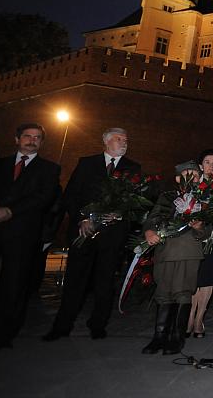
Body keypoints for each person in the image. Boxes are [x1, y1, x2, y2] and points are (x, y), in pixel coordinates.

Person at [44, 128, 141, 341]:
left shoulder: (132, 168)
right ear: (106, 142)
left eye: (126, 139)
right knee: (75, 280)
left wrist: (120, 213)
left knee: (105, 282)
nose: (124, 142)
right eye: (119, 139)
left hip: (112, 235)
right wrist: (83, 218)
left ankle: (98, 324)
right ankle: (62, 325)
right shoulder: (87, 163)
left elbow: (136, 201)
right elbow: (71, 195)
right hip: (84, 231)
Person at [0, 123, 60, 349]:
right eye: (28, 136)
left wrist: (9, 211)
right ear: (17, 139)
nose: (32, 140)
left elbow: (44, 197)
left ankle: (3, 334)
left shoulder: (49, 169)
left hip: (22, 232)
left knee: (13, 284)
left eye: (37, 137)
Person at [142, 161, 209, 355]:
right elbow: (152, 218)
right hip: (165, 251)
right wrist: (148, 232)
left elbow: (207, 231)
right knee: (163, 292)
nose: (193, 179)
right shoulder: (167, 197)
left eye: (196, 176)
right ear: (178, 178)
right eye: (189, 175)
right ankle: (159, 337)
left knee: (182, 292)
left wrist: (199, 228)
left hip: (189, 251)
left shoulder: (202, 201)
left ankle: (176, 338)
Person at [187, 149, 213, 338]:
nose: (211, 166)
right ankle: (189, 318)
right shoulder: (193, 184)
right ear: (200, 165)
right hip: (198, 236)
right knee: (196, 278)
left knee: (209, 279)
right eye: (207, 162)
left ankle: (198, 320)